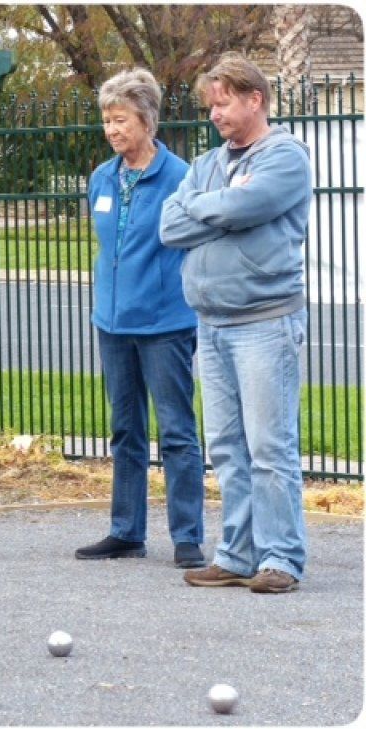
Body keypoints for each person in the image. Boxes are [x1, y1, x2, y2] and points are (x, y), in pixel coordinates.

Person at [160, 53, 311, 593]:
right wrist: (218, 207)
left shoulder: (285, 156)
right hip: (213, 323)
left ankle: (281, 559)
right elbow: (171, 226)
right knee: (226, 446)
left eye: (224, 103)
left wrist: (213, 208)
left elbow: (248, 207)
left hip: (264, 322)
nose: (216, 114)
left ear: (255, 99)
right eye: (211, 106)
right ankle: (237, 553)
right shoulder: (205, 164)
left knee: (270, 448)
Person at [75, 68, 207, 568]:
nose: (112, 130)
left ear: (148, 120)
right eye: (107, 121)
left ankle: (188, 537)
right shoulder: (102, 178)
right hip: (112, 324)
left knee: (176, 431)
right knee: (125, 430)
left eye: (121, 119)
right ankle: (126, 531)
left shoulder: (181, 177)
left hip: (164, 325)